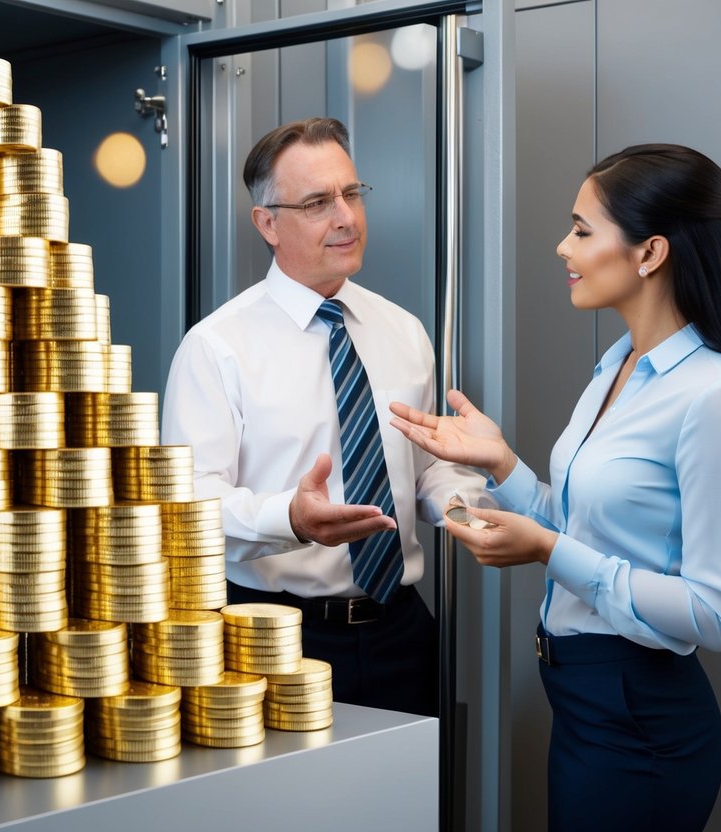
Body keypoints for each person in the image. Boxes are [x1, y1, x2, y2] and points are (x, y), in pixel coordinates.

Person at [390, 143, 721, 831]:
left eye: (582, 230)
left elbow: (715, 614)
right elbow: (586, 525)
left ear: (649, 254)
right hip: (582, 701)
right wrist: (501, 465)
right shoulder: (617, 365)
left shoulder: (712, 396)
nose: (562, 247)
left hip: (639, 720)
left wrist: (550, 551)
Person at [161, 117, 487, 715]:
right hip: (275, 637)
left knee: (410, 807)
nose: (347, 218)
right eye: (317, 202)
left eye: (351, 193)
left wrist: (465, 509)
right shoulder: (216, 347)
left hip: (403, 632)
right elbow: (187, 504)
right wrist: (291, 516)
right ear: (267, 223)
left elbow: (422, 472)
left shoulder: (403, 330)